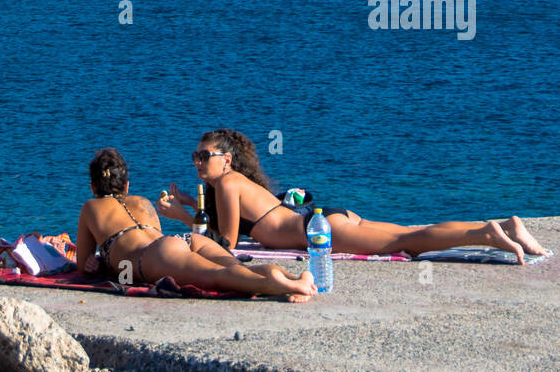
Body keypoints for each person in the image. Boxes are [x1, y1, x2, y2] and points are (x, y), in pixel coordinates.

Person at [157, 128, 550, 265]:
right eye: (195, 156)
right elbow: (233, 229)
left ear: (225, 159)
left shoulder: (226, 183)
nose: (196, 162)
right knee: (411, 233)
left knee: (408, 242)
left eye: (203, 156)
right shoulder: (234, 184)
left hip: (318, 228)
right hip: (325, 219)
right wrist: (191, 208)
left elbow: (224, 244)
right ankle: (507, 226)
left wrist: (180, 220)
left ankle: (487, 233)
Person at [75, 147, 316, 302]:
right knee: (236, 268)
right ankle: (295, 278)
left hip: (155, 257)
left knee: (219, 277)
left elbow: (83, 267)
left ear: (93, 187)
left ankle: (284, 287)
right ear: (127, 186)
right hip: (182, 241)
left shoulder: (89, 207)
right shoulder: (142, 201)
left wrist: (94, 261)